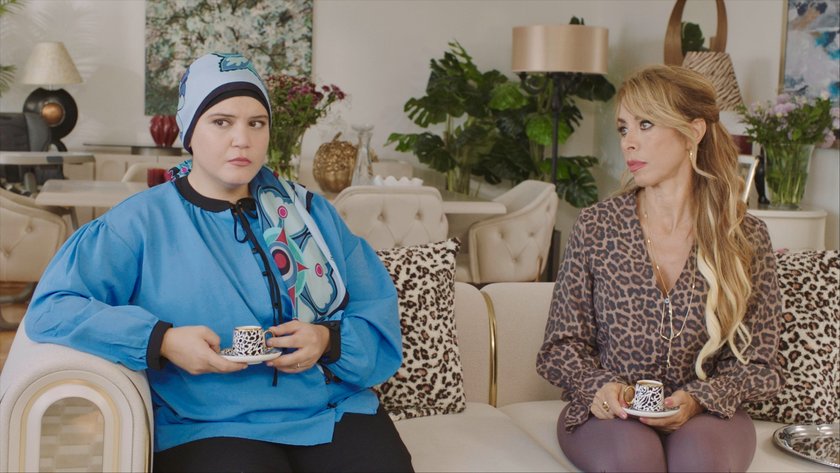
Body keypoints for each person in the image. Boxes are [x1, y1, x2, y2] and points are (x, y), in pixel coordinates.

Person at [25, 52, 413, 473]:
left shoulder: (312, 214)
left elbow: (375, 310)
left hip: (330, 409)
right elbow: (52, 307)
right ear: (190, 132)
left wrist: (326, 339)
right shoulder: (138, 223)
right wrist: (161, 340)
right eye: (221, 122)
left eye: (256, 123)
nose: (242, 139)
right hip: (207, 423)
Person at [536, 65, 783, 472]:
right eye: (623, 128)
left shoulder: (744, 236)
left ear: (693, 131)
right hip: (612, 415)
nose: (628, 142)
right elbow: (559, 347)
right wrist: (599, 387)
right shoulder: (598, 227)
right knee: (632, 459)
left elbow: (760, 365)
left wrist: (698, 399)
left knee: (702, 461)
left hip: (708, 412)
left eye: (645, 125)